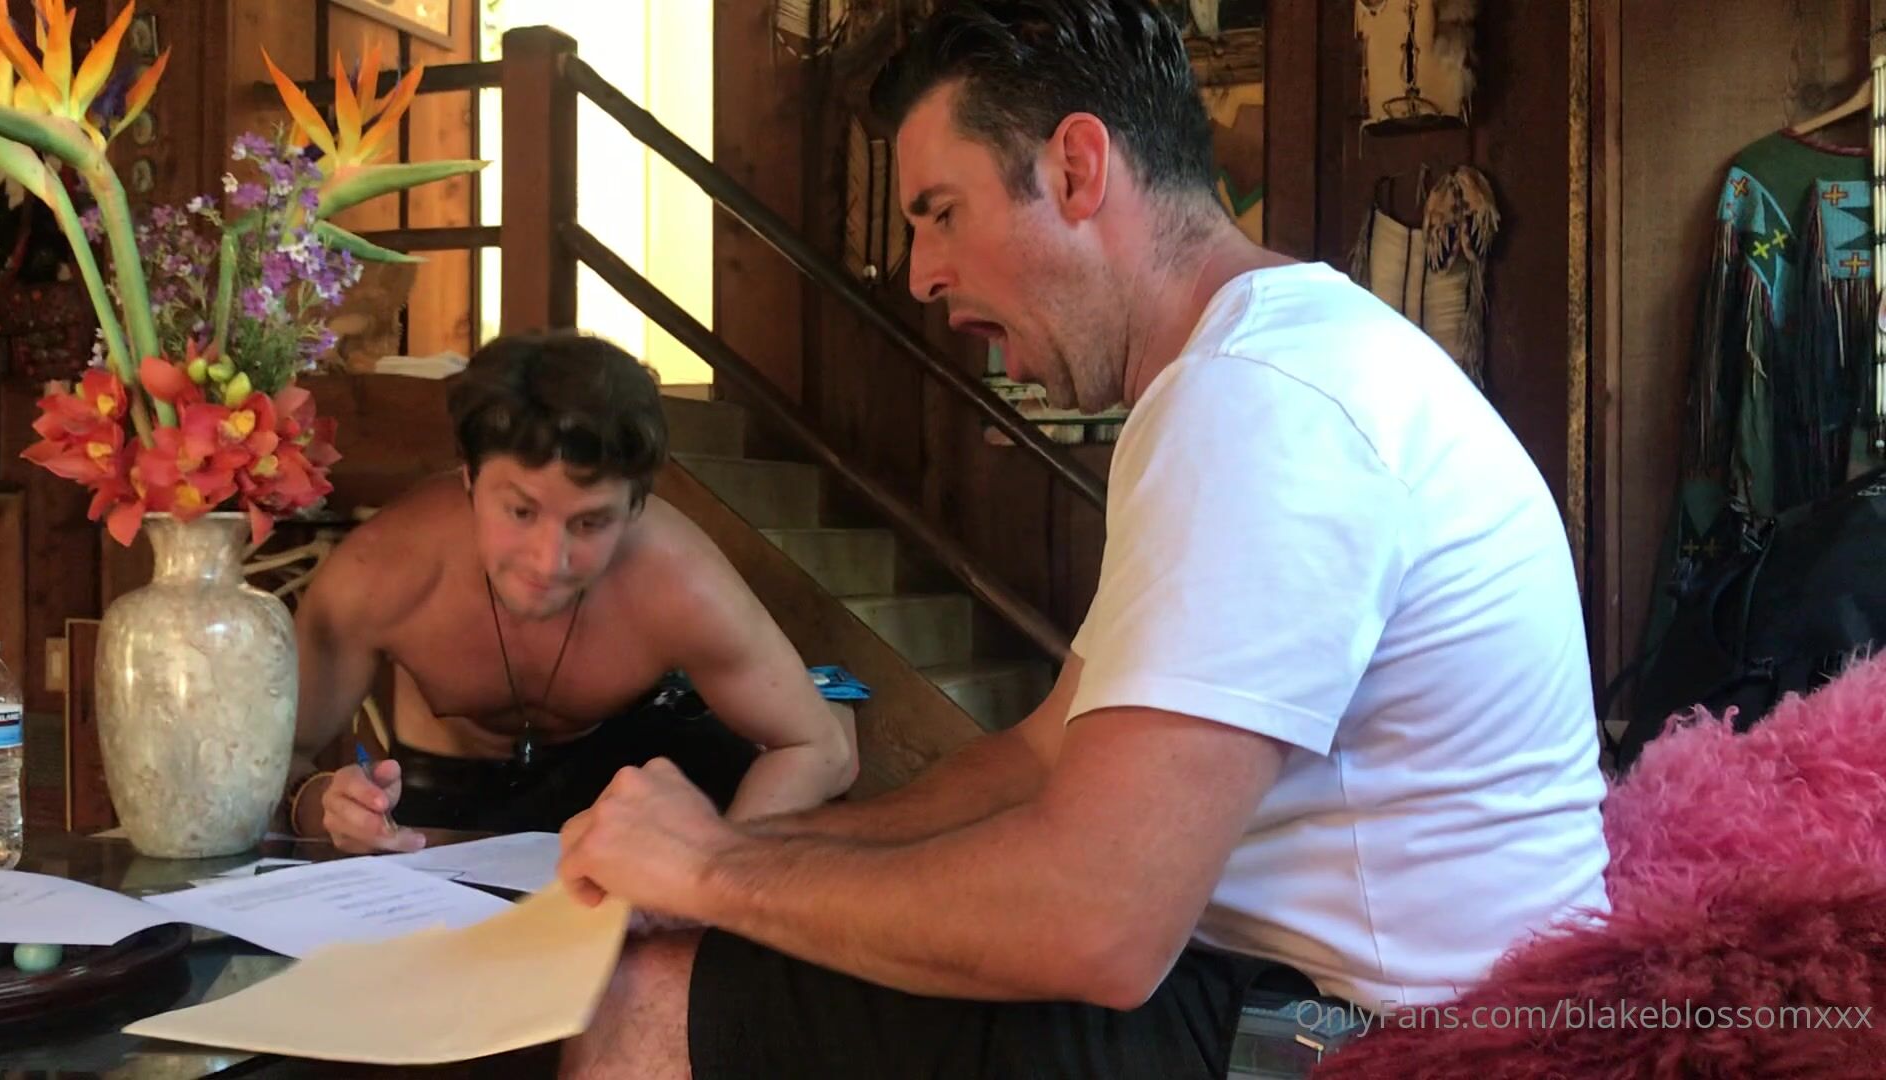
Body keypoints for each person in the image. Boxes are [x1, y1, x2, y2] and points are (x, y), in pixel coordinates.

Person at [552, 2, 1612, 1076]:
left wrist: (711, 877)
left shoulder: (1261, 402)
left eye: (941, 212)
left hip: (1398, 1040)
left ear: (1075, 170)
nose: (920, 273)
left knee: (653, 993)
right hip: (1305, 996)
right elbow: (1039, 756)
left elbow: (1096, 922)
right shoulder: (1269, 364)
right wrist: (744, 850)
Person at [283, 330, 858, 852]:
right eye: (520, 511)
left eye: (590, 523)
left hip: (633, 774)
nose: (548, 560)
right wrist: (324, 805)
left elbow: (820, 748)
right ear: (470, 480)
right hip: (452, 793)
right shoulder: (380, 572)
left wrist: (712, 877)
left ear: (634, 508)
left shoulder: (679, 579)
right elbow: (279, 765)